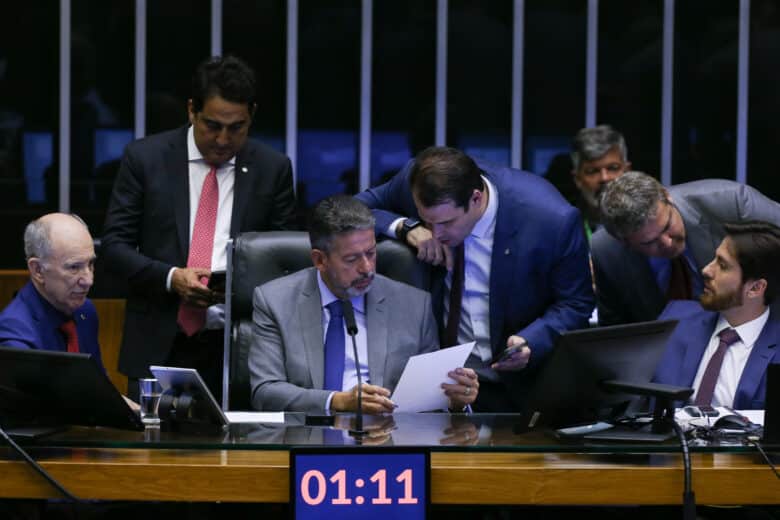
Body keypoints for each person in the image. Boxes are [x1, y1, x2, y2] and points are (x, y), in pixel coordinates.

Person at [101, 55, 296, 400]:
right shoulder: (145, 159)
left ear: (251, 116)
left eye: (236, 127)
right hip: (157, 340)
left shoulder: (272, 169)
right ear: (192, 110)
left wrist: (237, 287)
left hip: (236, 348)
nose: (222, 139)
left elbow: (283, 263)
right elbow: (115, 247)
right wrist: (171, 277)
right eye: (212, 125)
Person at [355, 146, 594, 412]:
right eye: (427, 221)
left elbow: (576, 304)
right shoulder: (419, 179)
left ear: (476, 199)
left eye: (446, 223)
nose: (436, 233)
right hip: (447, 389)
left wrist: (532, 341)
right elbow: (353, 209)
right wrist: (404, 227)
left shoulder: (552, 220)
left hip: (524, 390)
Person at [250, 195, 478, 414]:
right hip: (301, 439)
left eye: (371, 253)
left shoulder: (414, 305)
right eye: (352, 259)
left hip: (387, 441)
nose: (367, 268)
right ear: (320, 260)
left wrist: (454, 400)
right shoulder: (275, 301)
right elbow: (265, 392)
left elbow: (431, 398)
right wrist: (336, 401)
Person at [592, 171, 780, 326]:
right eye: (649, 242)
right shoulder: (607, 251)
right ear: (623, 241)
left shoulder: (732, 203)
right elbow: (616, 330)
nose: (667, 243)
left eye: (667, 226)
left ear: (667, 197)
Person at [654, 222, 780, 409]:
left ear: (756, 288)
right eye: (714, 259)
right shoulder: (675, 319)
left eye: (722, 265)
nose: (706, 270)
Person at [0, 213, 102, 365]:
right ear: (38, 270)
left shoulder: (85, 311)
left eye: (90, 264)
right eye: (74, 267)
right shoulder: (16, 335)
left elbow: (98, 385)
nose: (88, 280)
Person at [569, 125, 631, 241]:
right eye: (592, 171)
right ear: (577, 179)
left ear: (627, 171)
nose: (604, 178)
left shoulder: (649, 222)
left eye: (613, 168)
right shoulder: (566, 228)